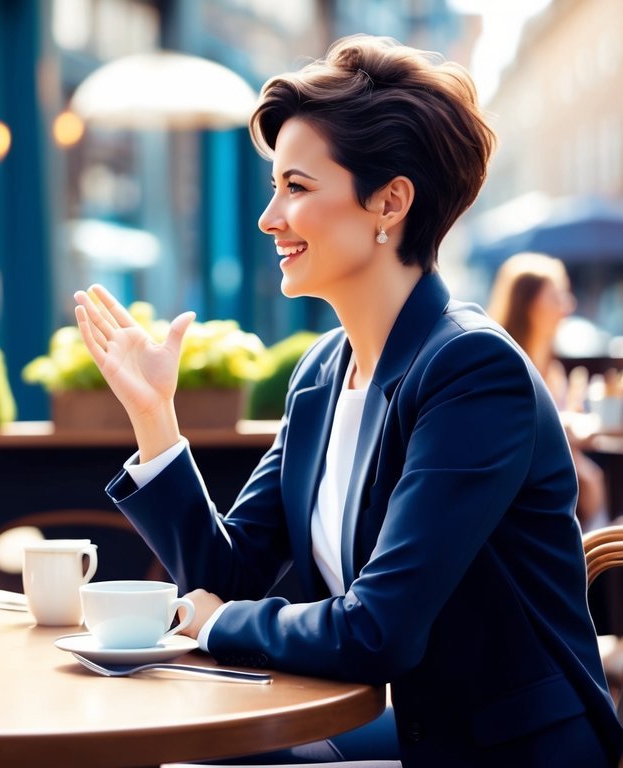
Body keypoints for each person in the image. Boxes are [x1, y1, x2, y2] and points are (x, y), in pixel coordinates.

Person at [73, 36, 623, 766]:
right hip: (415, 725)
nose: (270, 218)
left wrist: (215, 625)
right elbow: (227, 576)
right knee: (192, 755)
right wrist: (153, 417)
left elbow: (378, 631)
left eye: (295, 188)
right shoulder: (323, 373)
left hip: (498, 748)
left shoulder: (470, 370)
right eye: (273, 188)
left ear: (389, 202)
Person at [488, 251, 609, 531]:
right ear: (528, 304)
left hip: (559, 467)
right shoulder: (506, 364)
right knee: (591, 482)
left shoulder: (553, 368)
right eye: (556, 297)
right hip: (523, 475)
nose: (567, 306)